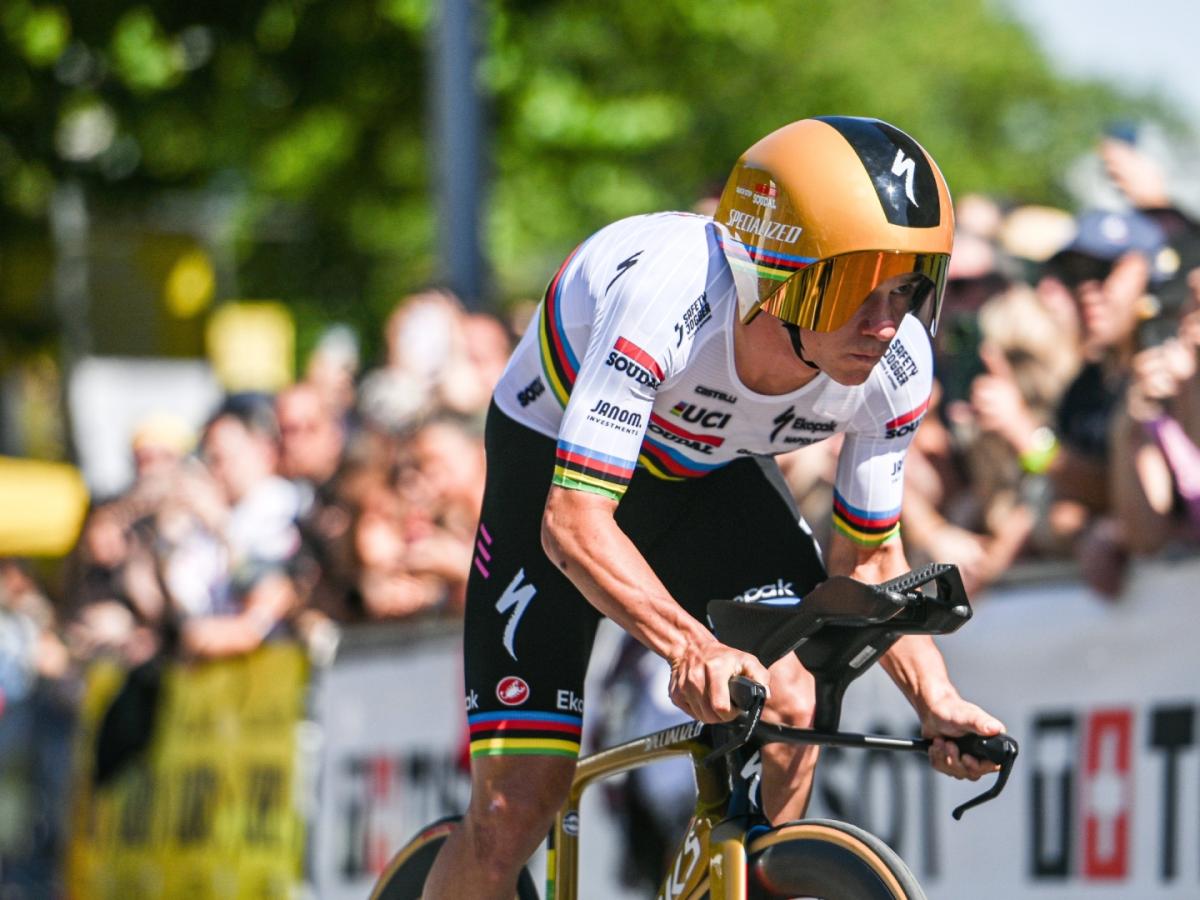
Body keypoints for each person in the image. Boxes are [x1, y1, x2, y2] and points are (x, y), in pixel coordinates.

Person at [423, 116, 1005, 898]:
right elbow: (573, 524)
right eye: (857, 286)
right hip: (553, 472)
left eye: (907, 288)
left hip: (705, 472)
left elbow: (868, 561)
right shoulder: (668, 298)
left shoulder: (897, 367)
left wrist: (937, 701)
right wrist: (690, 646)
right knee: (514, 805)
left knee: (793, 698)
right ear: (778, 273)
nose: (883, 322)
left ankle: (752, 874)